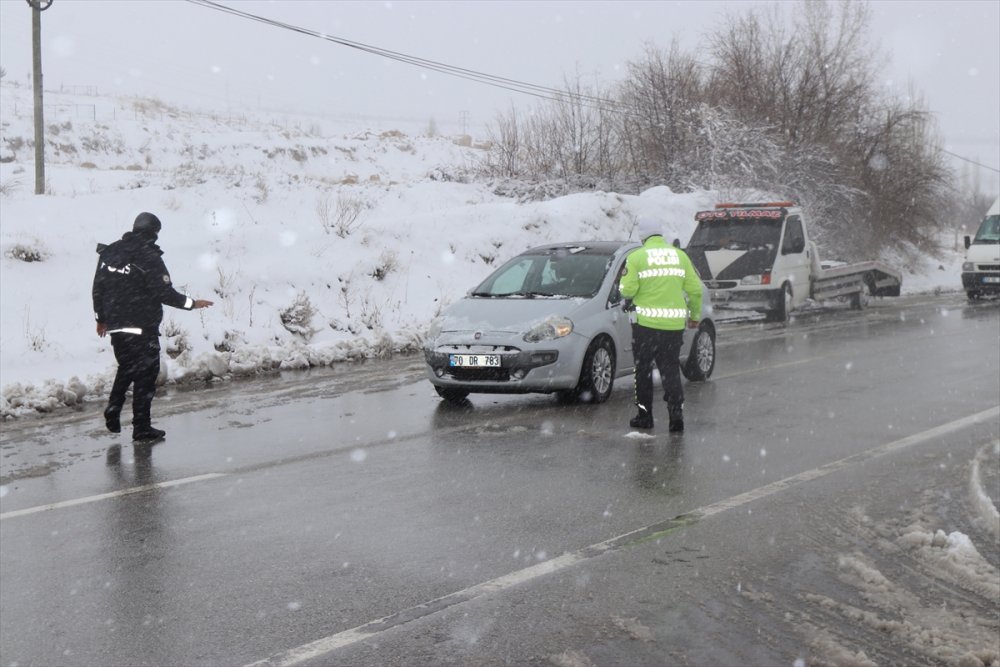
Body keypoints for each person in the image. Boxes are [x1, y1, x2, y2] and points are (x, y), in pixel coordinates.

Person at [91, 212, 213, 442]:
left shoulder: (110, 252)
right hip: (141, 325)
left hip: (117, 326)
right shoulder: (148, 255)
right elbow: (163, 292)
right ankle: (141, 428)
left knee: (127, 366)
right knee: (146, 376)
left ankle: (114, 406)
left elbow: (98, 287)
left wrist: (101, 318)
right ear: (154, 233)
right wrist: (192, 304)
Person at [620, 218, 703, 432]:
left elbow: (627, 290)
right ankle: (676, 416)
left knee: (643, 371)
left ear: (643, 236)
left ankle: (644, 416)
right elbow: (695, 290)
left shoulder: (636, 257)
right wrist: (694, 315)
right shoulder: (680, 256)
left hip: (645, 326)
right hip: (673, 326)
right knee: (670, 369)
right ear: (660, 234)